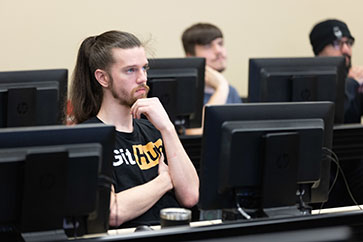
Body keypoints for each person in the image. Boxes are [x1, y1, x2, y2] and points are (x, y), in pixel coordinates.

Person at [68, 30, 199, 228]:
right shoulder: (89, 138)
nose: (142, 78)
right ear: (103, 78)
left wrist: (168, 128)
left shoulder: (156, 128)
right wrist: (164, 181)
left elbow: (190, 196)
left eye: (144, 68)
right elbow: (112, 211)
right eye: (131, 70)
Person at [181, 23, 242, 135]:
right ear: (190, 57)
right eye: (208, 46)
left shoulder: (231, 91)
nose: (219, 50)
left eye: (220, 43)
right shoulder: (184, 94)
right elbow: (196, 134)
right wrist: (221, 87)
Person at [309, 19, 363, 124]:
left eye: (349, 43)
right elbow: (334, 119)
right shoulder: (310, 84)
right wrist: (351, 82)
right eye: (337, 43)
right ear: (319, 51)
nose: (346, 50)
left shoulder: (355, 81)